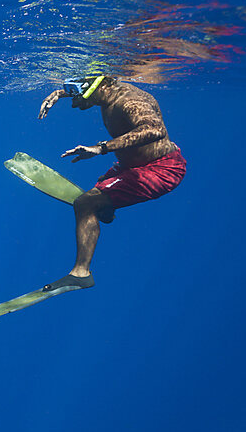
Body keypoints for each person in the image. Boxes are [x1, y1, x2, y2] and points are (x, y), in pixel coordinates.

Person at [37, 74, 187, 291]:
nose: (78, 100)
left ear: (104, 84)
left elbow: (155, 130)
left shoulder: (130, 102)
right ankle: (106, 208)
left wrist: (101, 148)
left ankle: (81, 274)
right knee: (102, 184)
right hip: (132, 166)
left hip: (161, 169)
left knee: (85, 203)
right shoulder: (109, 92)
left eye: (82, 92)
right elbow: (86, 89)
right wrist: (58, 93)